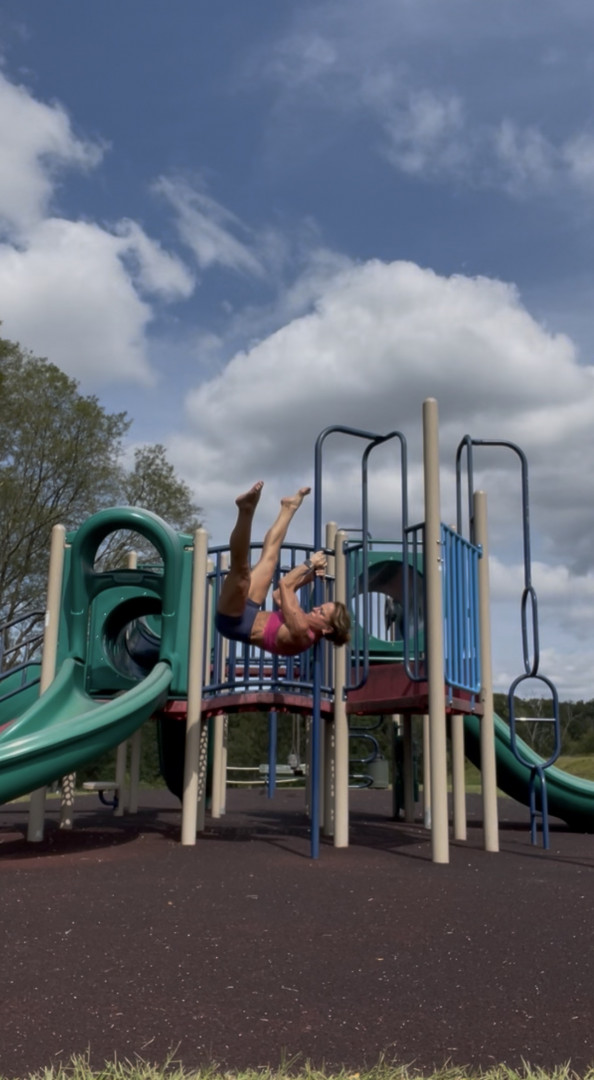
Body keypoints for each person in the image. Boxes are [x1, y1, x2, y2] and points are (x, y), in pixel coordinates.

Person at [215, 481, 351, 656]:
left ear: (327, 629)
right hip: (249, 609)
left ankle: (246, 509)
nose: (315, 608)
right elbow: (279, 595)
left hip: (231, 622)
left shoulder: (301, 632)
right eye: (320, 607)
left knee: (242, 574)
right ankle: (289, 508)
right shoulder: (300, 618)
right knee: (270, 558)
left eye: (321, 613)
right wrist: (308, 578)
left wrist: (310, 563)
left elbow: (285, 584)